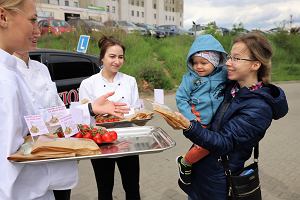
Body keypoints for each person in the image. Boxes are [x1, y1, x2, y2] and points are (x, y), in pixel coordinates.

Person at [0, 1, 128, 199]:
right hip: (29, 184)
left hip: (53, 171)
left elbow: (50, 118)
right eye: (32, 20)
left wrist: (89, 110)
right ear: (3, 17)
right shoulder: (8, 75)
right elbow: (18, 145)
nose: (38, 31)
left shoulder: (39, 70)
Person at [168, 32, 288, 199]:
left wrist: (189, 127)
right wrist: (186, 119)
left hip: (220, 183)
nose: (228, 63)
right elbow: (204, 118)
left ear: (255, 64)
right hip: (202, 175)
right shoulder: (230, 87)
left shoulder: (259, 108)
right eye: (229, 57)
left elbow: (223, 142)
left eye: (236, 59)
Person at [79, 35, 141, 200]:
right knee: (104, 190)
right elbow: (83, 117)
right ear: (102, 57)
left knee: (133, 188)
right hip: (100, 139)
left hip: (127, 138)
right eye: (112, 56)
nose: (117, 61)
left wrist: (139, 117)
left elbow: (135, 111)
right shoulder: (88, 83)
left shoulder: (130, 81)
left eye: (120, 57)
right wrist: (100, 113)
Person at [175, 34, 227, 185]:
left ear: (215, 62)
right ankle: (185, 162)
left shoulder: (224, 75)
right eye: (195, 62)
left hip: (218, 120)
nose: (198, 66)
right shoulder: (190, 79)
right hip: (199, 120)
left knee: (210, 147)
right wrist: (190, 119)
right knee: (204, 147)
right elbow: (181, 98)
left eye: (204, 63)